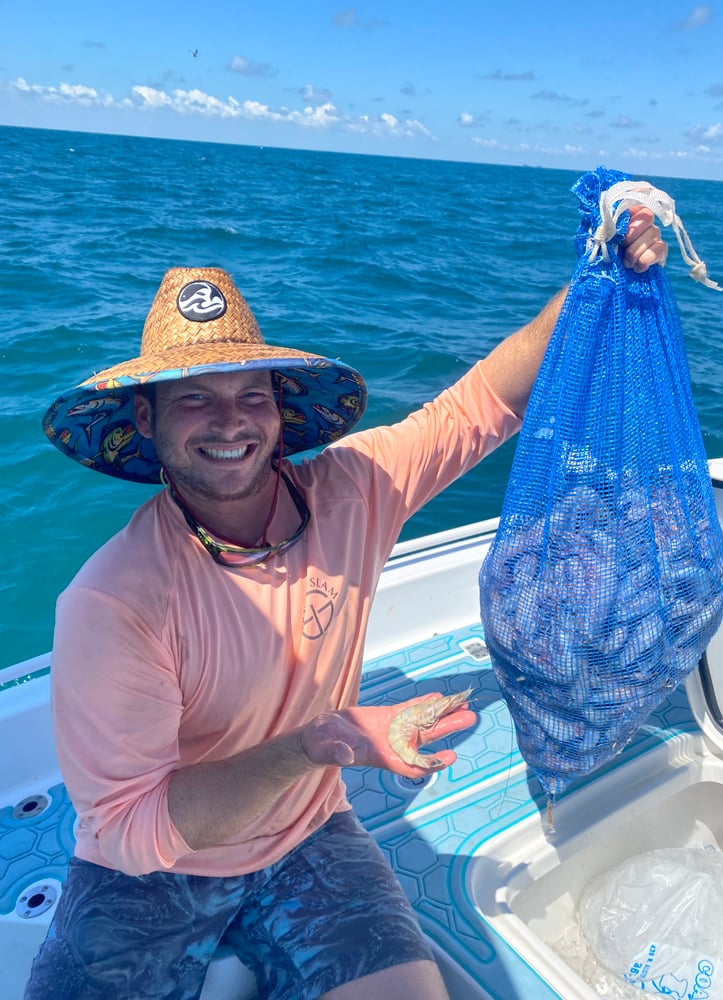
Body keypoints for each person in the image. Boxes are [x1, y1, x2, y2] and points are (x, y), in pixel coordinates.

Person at [27, 208, 666, 1000]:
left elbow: (482, 407)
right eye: (194, 399)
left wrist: (599, 279)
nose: (230, 422)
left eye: (251, 394)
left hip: (306, 834)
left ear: (280, 412)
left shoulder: (354, 489)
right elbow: (133, 829)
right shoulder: (111, 601)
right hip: (149, 874)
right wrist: (320, 741)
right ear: (146, 420)